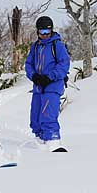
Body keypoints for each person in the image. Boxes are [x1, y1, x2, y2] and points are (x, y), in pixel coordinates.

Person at [25, 16, 70, 152]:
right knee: (35, 115)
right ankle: (40, 139)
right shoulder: (36, 46)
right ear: (37, 32)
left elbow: (64, 64)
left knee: (48, 114)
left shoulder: (57, 45)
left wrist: (50, 77)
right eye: (42, 32)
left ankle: (53, 140)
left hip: (52, 86)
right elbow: (28, 64)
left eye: (47, 32)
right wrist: (34, 76)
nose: (44, 35)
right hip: (39, 86)